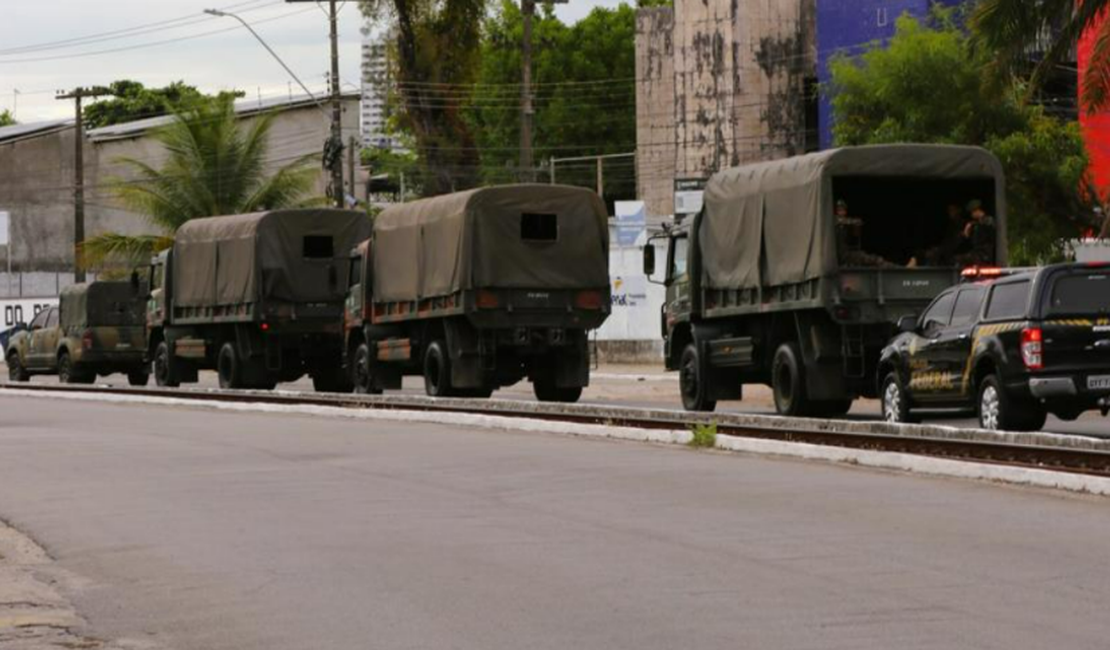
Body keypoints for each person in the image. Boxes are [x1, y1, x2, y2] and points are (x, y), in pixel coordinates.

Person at [835, 199, 899, 268]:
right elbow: (840, 220)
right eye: (839, 210)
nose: (841, 212)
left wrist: (856, 227)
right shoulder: (832, 221)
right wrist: (853, 221)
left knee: (874, 260)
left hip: (846, 254)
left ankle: (900, 267)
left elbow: (855, 236)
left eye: (843, 210)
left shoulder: (845, 226)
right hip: (839, 257)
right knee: (869, 258)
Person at [956, 199, 996, 266]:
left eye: (972, 212)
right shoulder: (976, 224)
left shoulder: (988, 220)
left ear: (977, 210)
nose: (971, 215)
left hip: (984, 255)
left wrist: (973, 225)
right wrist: (967, 231)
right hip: (977, 253)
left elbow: (988, 227)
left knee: (960, 259)